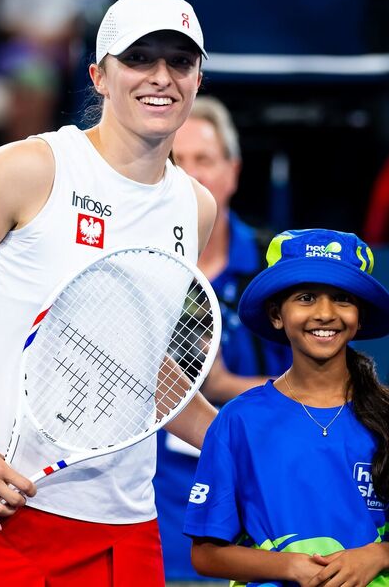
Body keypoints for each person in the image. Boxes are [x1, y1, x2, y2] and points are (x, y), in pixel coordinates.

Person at [0, 0, 219, 585]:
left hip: (125, 529)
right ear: (99, 76)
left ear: (198, 78)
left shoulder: (195, 207)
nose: (161, 77)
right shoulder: (30, 168)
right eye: (139, 59)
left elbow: (142, 372)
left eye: (180, 61)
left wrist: (242, 439)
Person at [186, 228, 389, 586]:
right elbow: (206, 553)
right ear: (277, 314)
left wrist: (376, 555)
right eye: (306, 297)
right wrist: (289, 567)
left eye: (342, 298)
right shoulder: (239, 420)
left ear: (360, 316)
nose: (325, 313)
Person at [155, 95, 293, 582]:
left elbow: (329, 394)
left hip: (257, 519)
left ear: (233, 172)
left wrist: (225, 384)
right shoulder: (129, 263)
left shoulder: (277, 268)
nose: (189, 175)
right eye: (174, 160)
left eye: (204, 160)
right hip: (148, 522)